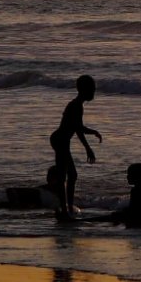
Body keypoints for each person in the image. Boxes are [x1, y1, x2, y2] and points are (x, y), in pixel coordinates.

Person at [49, 75, 101, 218]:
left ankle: (68, 206)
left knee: (71, 175)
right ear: (84, 90)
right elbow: (79, 128)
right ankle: (65, 210)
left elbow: (78, 128)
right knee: (64, 176)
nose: (94, 92)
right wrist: (90, 141)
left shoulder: (78, 105)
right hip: (60, 140)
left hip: (63, 140)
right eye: (92, 89)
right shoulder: (75, 105)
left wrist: (90, 140)